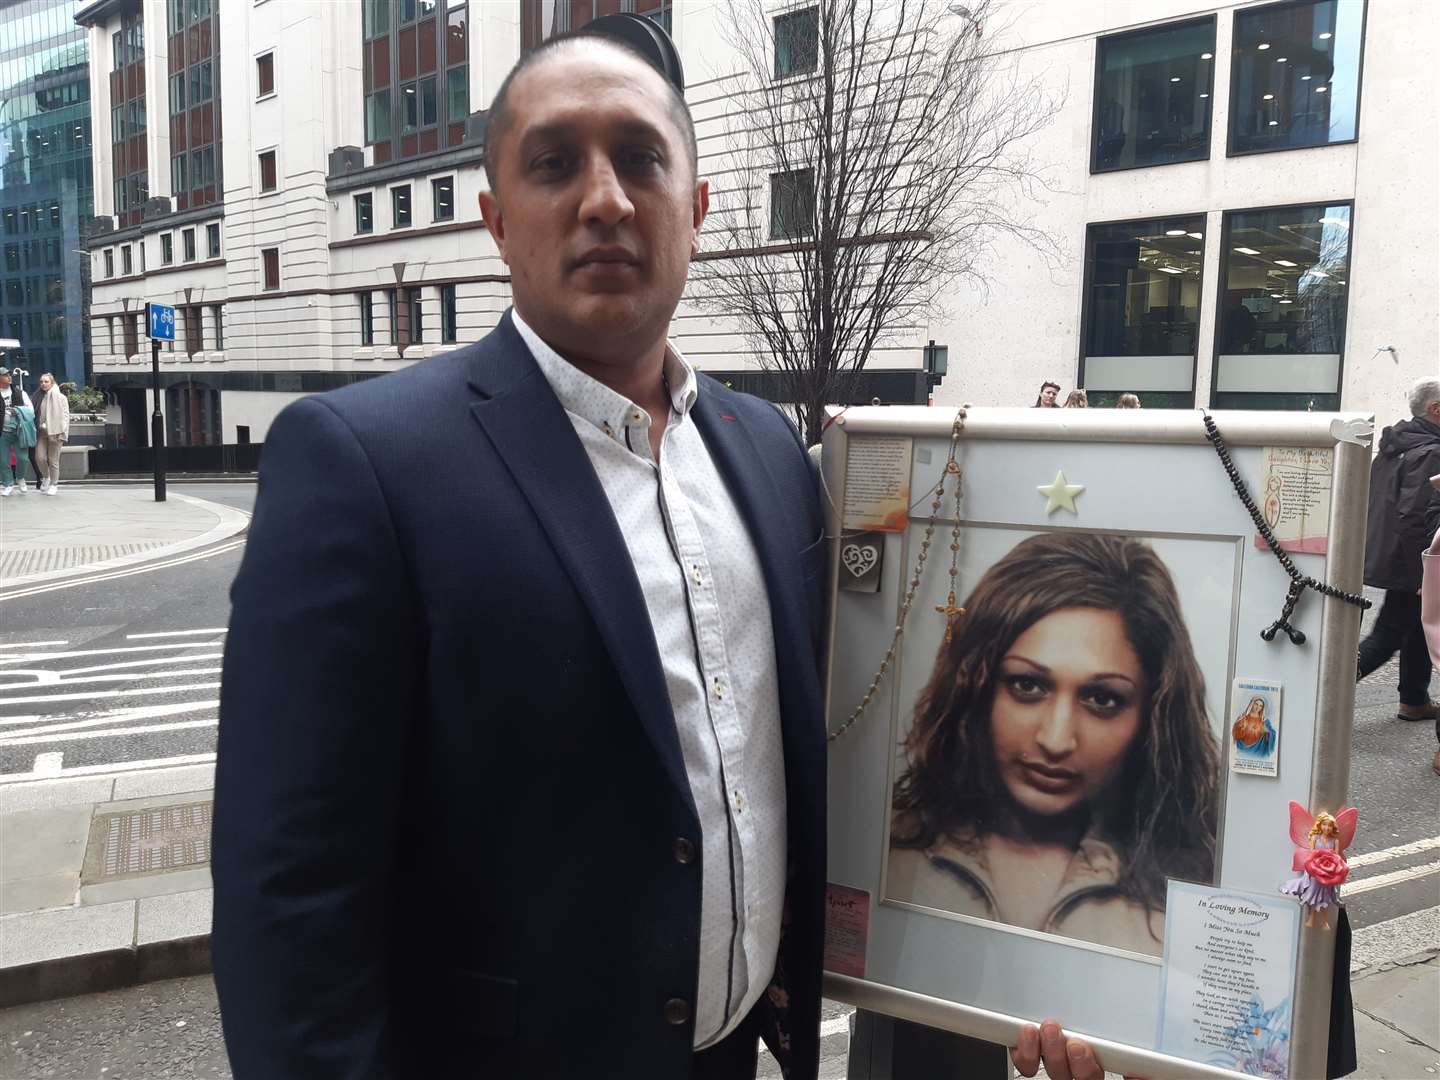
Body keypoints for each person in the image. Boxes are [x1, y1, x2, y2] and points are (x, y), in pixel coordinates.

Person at [213, 25, 1119, 1080]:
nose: (604, 199)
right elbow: (290, 901)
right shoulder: (364, 464)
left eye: (641, 158)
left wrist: (1034, 972)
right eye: (555, 163)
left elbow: (877, 732)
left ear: (694, 208)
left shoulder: (769, 454)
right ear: (497, 222)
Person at [888, 532, 1219, 956]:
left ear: (1152, 717)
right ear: (976, 689)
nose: (1056, 740)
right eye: (1027, 685)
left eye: (1102, 699)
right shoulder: (888, 849)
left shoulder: (1194, 894)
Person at [1357, 377, 1440, 721]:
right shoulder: (1432, 451)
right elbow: (1414, 515)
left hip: (1391, 554)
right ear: (1436, 409)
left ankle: (1414, 699)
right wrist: (1427, 572)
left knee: (1422, 624)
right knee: (1388, 633)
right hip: (1412, 560)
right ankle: (1323, 688)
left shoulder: (1398, 444)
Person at [34, 373, 69, 495]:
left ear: (52, 383)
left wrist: (63, 432)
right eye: (41, 382)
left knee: (53, 459)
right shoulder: (38, 396)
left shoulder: (61, 398)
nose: (43, 384)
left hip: (56, 432)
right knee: (39, 457)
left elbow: (65, 417)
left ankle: (54, 484)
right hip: (42, 432)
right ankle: (46, 477)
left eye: (46, 381)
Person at [0, 369, 33, 497]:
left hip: (19, 431)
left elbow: (31, 411)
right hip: (2, 433)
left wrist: (18, 411)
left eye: (9, 375)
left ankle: (20, 478)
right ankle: (8, 484)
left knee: (23, 458)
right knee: (3, 461)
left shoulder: (20, 393)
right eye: (5, 375)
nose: (9, 377)